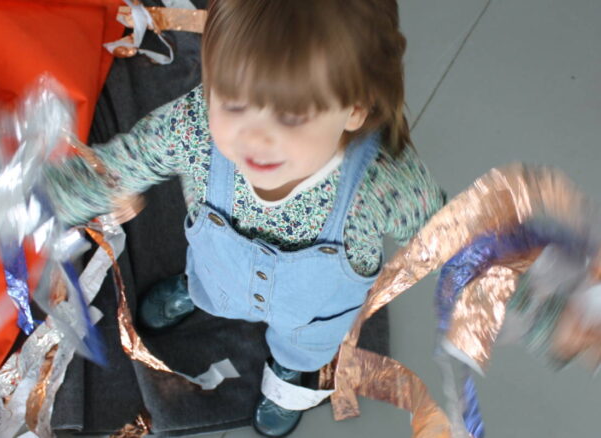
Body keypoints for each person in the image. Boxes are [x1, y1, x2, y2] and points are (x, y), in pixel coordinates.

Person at [45, 0, 445, 436]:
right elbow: (120, 164)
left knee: (303, 350)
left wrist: (521, 298)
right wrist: (35, 202)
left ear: (355, 107)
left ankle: (287, 380)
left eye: (291, 114)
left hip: (311, 312)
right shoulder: (195, 125)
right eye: (233, 102)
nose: (254, 138)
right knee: (211, 288)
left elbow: (458, 240)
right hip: (220, 271)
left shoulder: (384, 181)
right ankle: (195, 294)